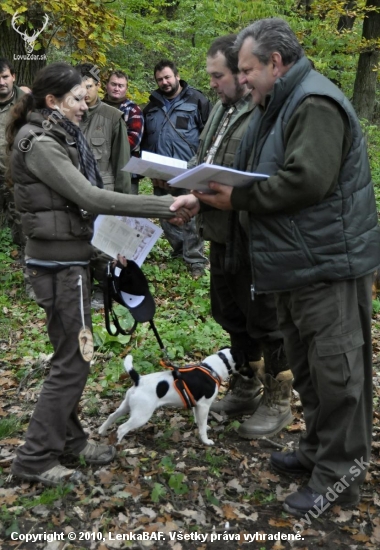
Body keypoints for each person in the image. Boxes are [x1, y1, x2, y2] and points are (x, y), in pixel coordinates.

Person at [170, 18, 380, 516]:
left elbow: (306, 180)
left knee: (338, 376)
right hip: (290, 265)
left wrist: (236, 197)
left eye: (247, 70)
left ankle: (339, 478)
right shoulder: (273, 105)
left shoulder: (314, 104)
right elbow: (248, 174)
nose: (241, 80)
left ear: (276, 63)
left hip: (327, 264)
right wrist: (208, 199)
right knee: (308, 370)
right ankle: (316, 450)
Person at [6, 62, 190, 487]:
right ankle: (34, 458)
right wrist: (168, 206)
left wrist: (105, 250)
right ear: (51, 101)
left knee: (70, 358)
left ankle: (69, 441)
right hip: (58, 268)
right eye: (77, 98)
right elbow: (89, 196)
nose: (85, 105)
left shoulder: (54, 136)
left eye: (87, 96)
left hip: (68, 259)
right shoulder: (40, 143)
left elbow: (66, 213)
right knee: (73, 362)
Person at [192, 35, 292, 439]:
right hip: (220, 230)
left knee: (265, 318)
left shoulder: (264, 112)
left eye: (219, 76)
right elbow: (207, 159)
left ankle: (279, 397)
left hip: (254, 235)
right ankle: (247, 384)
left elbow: (273, 176)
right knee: (230, 313)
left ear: (241, 74)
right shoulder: (221, 108)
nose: (212, 84)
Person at [141, 59, 211, 279]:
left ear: (177, 76)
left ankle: (195, 259)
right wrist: (150, 170)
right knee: (165, 214)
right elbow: (145, 139)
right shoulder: (150, 106)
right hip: (161, 173)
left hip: (188, 169)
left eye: (167, 77)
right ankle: (180, 250)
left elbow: (209, 136)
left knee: (190, 217)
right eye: (160, 79)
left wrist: (202, 165)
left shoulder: (197, 100)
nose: (164, 82)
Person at [76, 63, 131, 300]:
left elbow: (122, 164)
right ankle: (80, 288)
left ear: (98, 86)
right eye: (78, 88)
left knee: (103, 247)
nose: (84, 93)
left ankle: (104, 291)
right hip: (74, 190)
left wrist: (124, 203)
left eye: (88, 86)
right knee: (77, 242)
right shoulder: (67, 115)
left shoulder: (112, 117)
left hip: (103, 191)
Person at [103, 70, 144, 195]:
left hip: (128, 171)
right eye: (113, 84)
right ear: (106, 85)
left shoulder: (133, 110)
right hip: (101, 170)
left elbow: (134, 139)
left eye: (120, 86)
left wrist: (104, 148)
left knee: (126, 212)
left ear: (126, 88)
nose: (116, 88)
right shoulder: (97, 107)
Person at [0, 58, 24, 242]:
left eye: (5, 76)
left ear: (13, 77)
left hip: (16, 173)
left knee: (20, 220)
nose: (1, 82)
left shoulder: (26, 103)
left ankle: (24, 260)